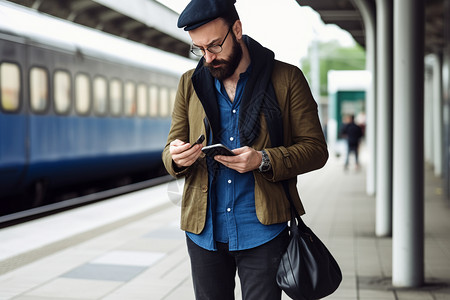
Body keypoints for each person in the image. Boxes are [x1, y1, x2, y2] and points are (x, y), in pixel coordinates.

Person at [162, 1, 328, 299]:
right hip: (204, 231)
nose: (208, 58)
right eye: (199, 49)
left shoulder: (287, 79)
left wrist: (264, 159)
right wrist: (176, 156)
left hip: (263, 230)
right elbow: (171, 145)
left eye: (214, 45)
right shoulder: (190, 82)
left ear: (236, 30)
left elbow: (316, 149)